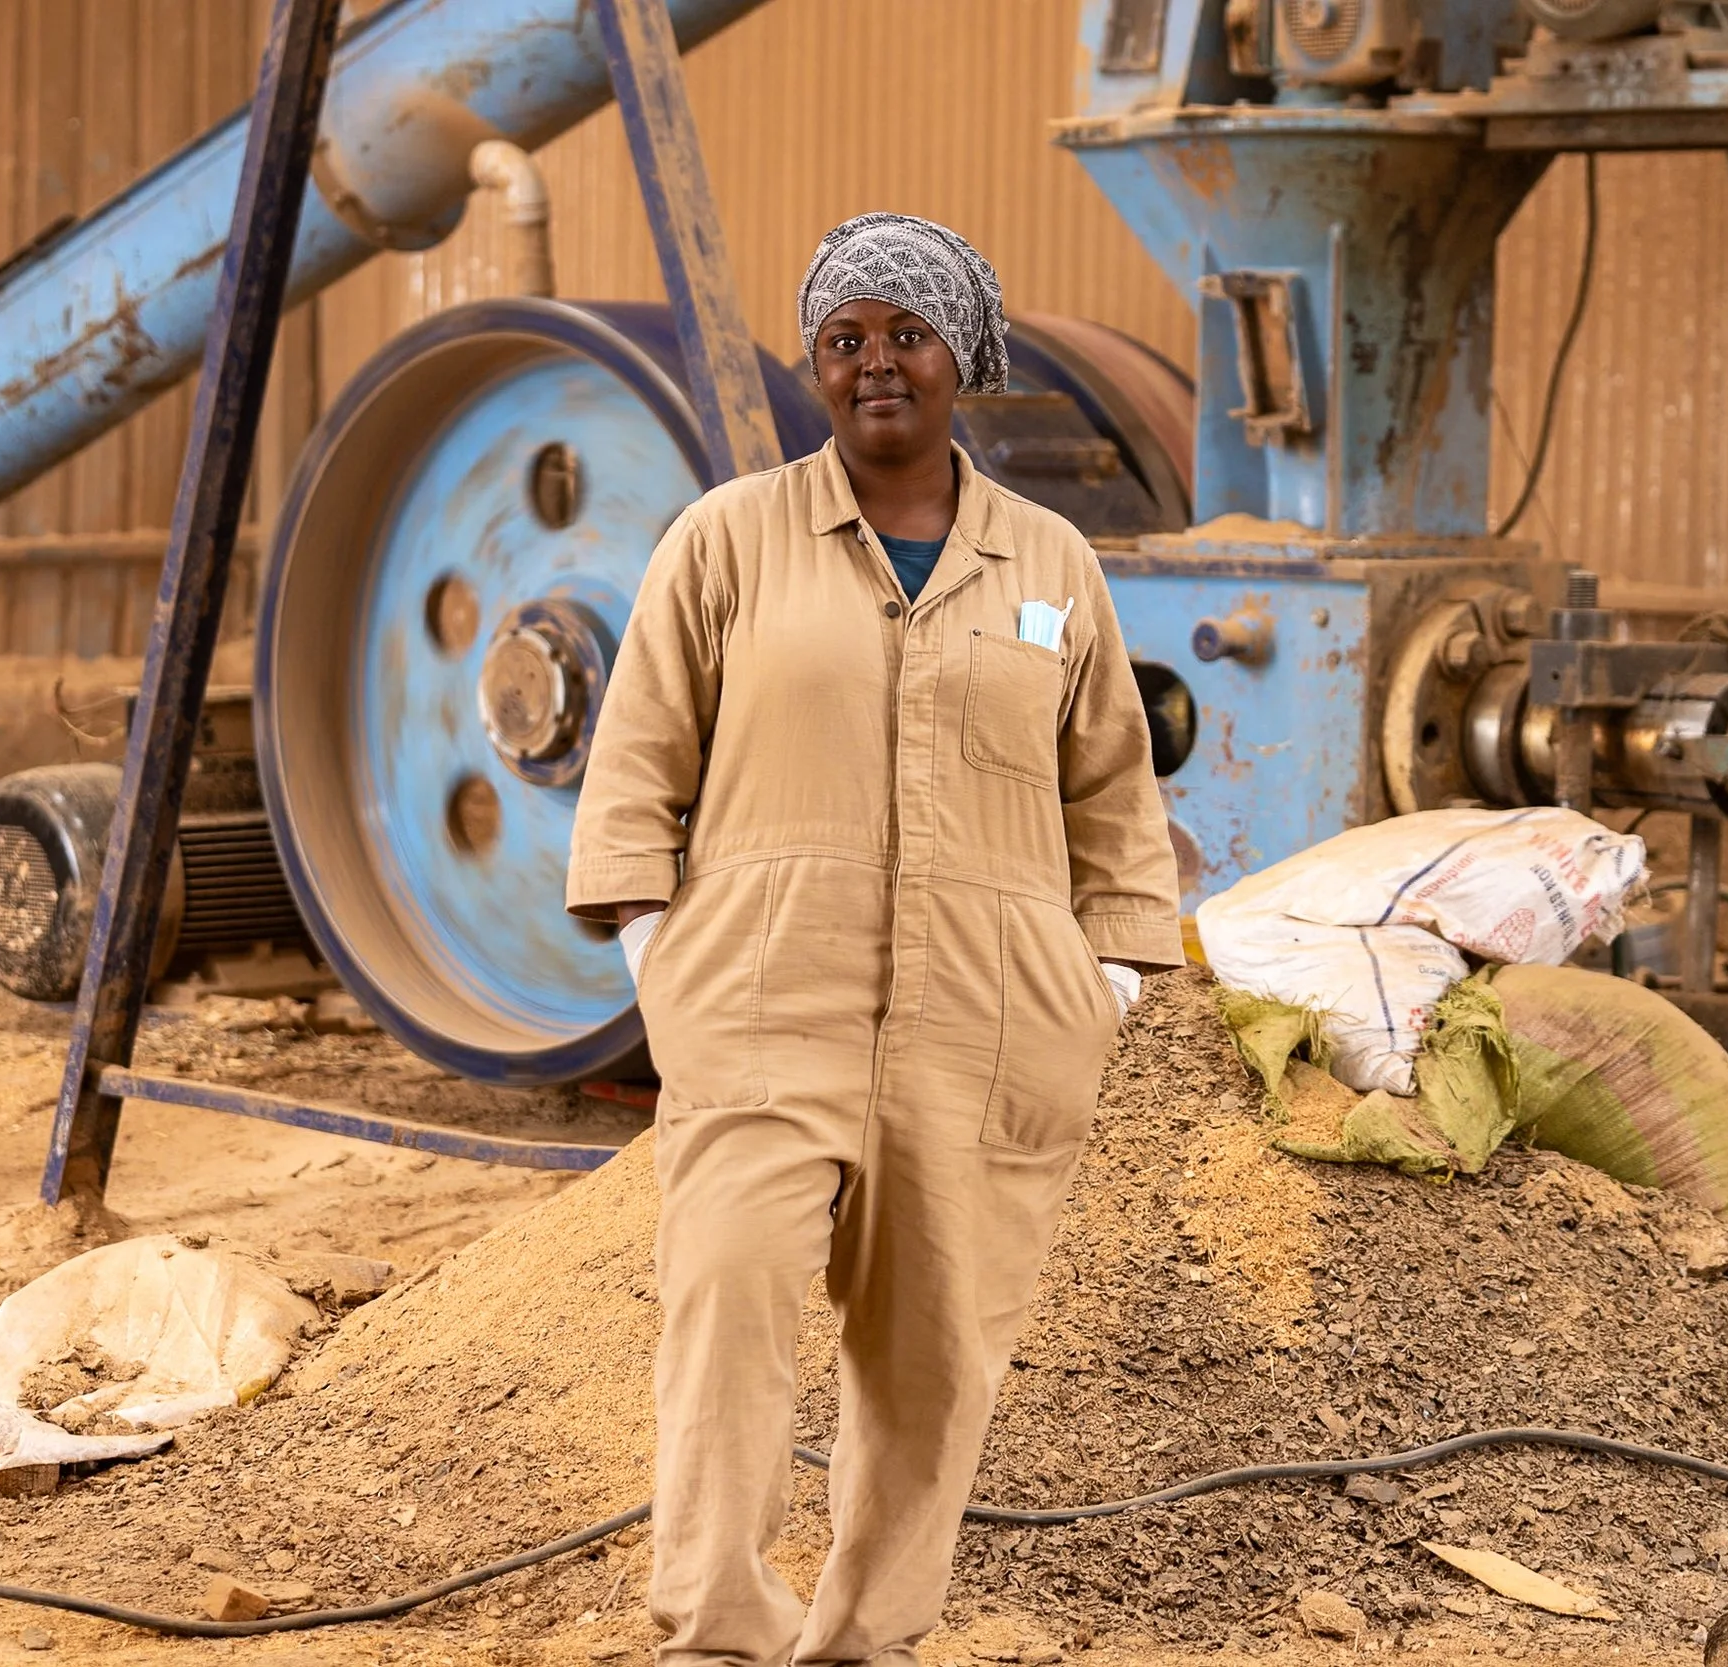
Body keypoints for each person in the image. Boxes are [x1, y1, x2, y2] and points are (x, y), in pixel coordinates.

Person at [566, 212, 1184, 1667]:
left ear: (962, 353)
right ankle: (714, 1630)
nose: (876, 364)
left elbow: (1112, 787)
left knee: (935, 1356)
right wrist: (661, 959)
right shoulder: (729, 539)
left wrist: (1102, 982)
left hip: (987, 1030)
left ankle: (867, 1637)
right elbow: (636, 760)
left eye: (907, 334)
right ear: (818, 365)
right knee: (725, 1303)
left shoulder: (1051, 564)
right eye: (845, 339)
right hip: (763, 1006)